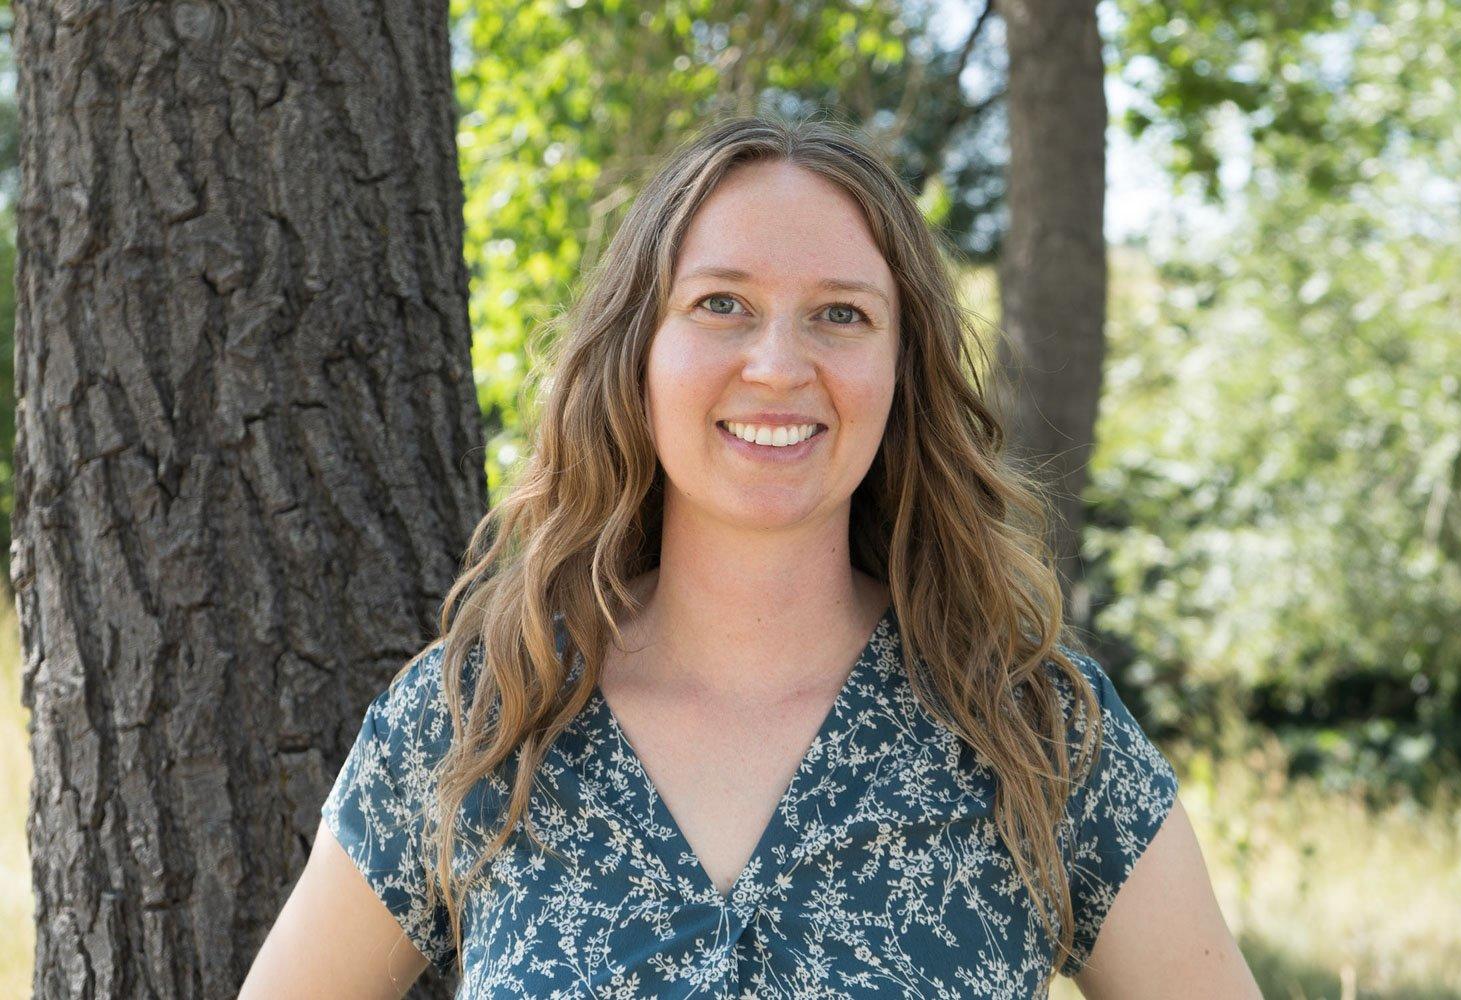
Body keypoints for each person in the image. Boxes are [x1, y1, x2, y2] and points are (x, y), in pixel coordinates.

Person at [242, 114, 1261, 999]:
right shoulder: (481, 712)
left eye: (841, 315)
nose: (778, 365)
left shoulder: (1034, 726)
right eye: (721, 303)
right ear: (639, 350)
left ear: (902, 371)